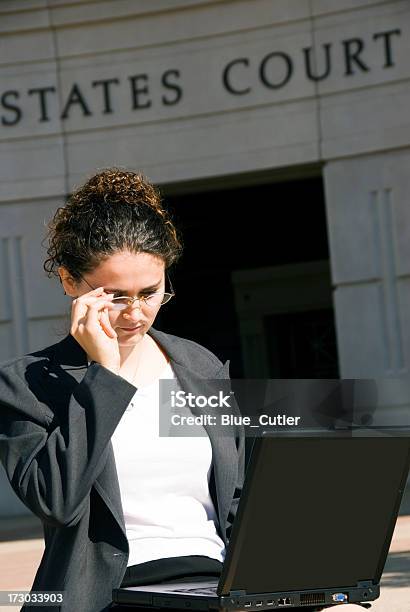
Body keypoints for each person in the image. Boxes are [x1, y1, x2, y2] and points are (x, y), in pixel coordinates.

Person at [0, 168, 367, 612]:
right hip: (114, 594)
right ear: (69, 283)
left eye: (150, 292)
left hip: (218, 585)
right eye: (115, 296)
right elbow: (55, 499)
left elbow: (236, 500)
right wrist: (105, 374)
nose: (135, 313)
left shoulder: (198, 365)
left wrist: (290, 581)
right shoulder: (30, 383)